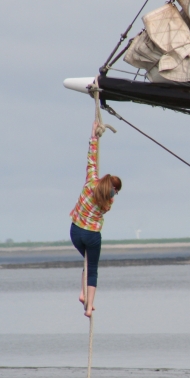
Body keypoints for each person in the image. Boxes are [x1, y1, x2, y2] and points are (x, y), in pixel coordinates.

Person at [69, 121, 122, 317]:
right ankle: (90, 306)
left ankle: (83, 294)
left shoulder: (91, 181)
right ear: (113, 190)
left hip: (75, 231)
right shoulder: (107, 202)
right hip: (91, 235)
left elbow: (91, 158)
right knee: (92, 268)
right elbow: (108, 199)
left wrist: (94, 135)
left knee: (87, 261)